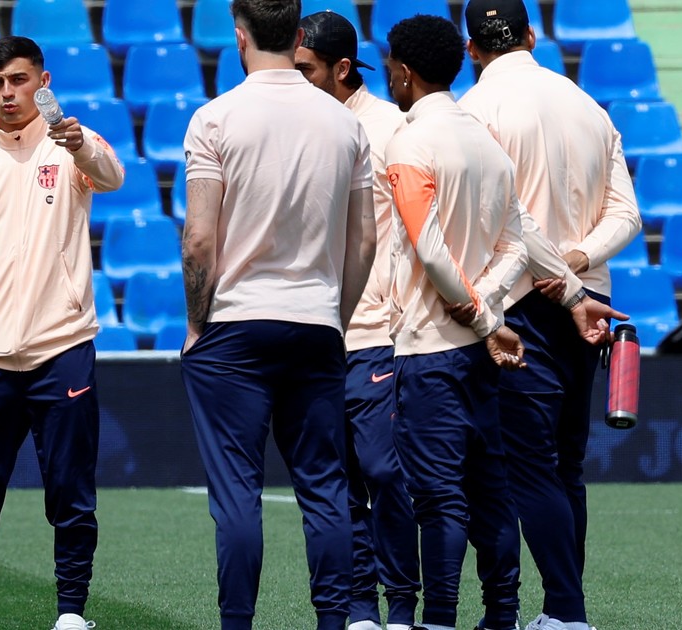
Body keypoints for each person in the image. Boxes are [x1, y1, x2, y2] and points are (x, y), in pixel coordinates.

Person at [181, 0, 377, 627]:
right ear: (296, 35)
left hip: (235, 323)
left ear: (240, 37)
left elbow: (199, 240)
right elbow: (365, 241)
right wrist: (336, 317)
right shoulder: (345, 122)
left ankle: (238, 622)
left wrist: (196, 323)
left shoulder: (214, 117)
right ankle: (334, 620)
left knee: (237, 492)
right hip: (315, 322)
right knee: (325, 487)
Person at [458, 2, 642, 629]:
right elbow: (627, 213)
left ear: (471, 48)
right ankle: (564, 611)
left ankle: (565, 611)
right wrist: (576, 261)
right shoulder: (588, 106)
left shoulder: (475, 109)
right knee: (566, 465)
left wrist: (554, 272)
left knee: (528, 466)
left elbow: (497, 215)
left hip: (520, 303)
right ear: (532, 35)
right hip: (588, 301)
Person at [0, 36, 124, 630]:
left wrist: (79, 140)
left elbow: (113, 175)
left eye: (18, 80)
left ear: (43, 81)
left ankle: (70, 611)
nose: (8, 93)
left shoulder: (71, 144)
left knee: (70, 491)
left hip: (61, 346)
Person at [381, 14, 532, 630]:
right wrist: (488, 310)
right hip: (480, 351)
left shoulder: (410, 142)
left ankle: (439, 619)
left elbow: (428, 246)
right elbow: (518, 246)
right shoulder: (487, 142)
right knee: (491, 491)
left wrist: (473, 311)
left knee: (439, 496)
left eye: (390, 67)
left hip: (430, 348)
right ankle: (502, 617)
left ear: (405, 72)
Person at [293, 12, 421, 630]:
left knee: (384, 471)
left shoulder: (393, 128)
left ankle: (402, 603)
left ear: (342, 68)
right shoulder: (295, 126)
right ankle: (360, 606)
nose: (294, 80)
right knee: (335, 480)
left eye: (305, 70)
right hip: (314, 331)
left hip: (378, 333)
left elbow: (420, 230)